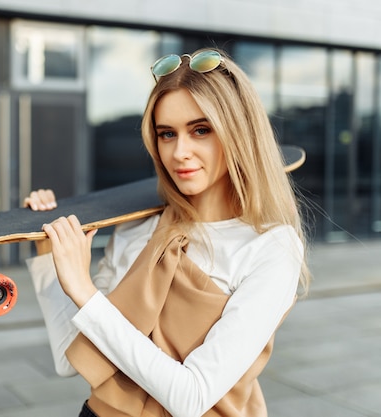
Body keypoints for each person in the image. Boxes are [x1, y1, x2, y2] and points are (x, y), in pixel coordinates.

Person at [23, 48, 310, 417]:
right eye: (167, 134)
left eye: (201, 130)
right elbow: (70, 359)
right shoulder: (137, 229)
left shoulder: (270, 247)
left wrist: (84, 290)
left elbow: (191, 397)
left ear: (238, 132)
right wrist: (51, 256)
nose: (180, 152)